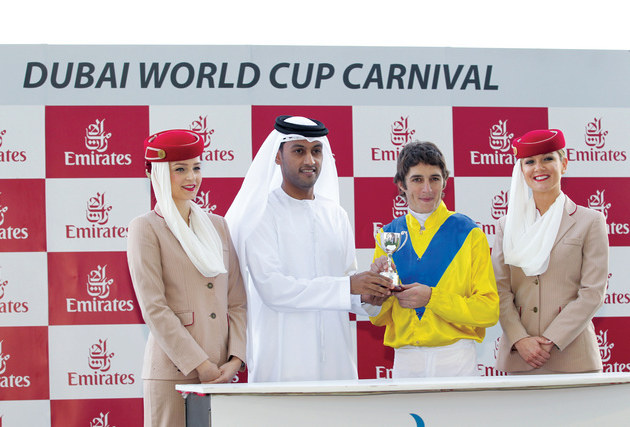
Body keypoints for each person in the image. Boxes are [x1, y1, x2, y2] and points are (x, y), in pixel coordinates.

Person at [225, 115, 392, 382]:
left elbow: (347, 283)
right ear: (278, 156)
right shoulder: (260, 214)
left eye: (316, 151)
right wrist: (349, 286)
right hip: (282, 360)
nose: (310, 161)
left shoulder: (335, 214)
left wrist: (368, 295)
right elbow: (273, 289)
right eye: (299, 151)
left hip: (336, 359)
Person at [127, 130, 247, 426]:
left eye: (196, 167)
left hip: (220, 374)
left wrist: (235, 359)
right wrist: (200, 364)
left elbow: (237, 302)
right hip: (172, 374)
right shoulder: (145, 228)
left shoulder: (218, 226)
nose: (191, 177)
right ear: (156, 174)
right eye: (180, 169)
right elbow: (154, 308)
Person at [370, 141, 499, 378]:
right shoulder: (388, 235)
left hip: (456, 358)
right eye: (417, 179)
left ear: (445, 182)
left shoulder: (469, 234)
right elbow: (378, 318)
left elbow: (488, 311)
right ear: (402, 185)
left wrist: (432, 299)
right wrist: (376, 292)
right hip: (406, 360)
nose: (427, 189)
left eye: (434, 179)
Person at [492, 129, 608, 374]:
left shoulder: (590, 221)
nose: (539, 168)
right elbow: (499, 290)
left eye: (548, 159)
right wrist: (520, 339)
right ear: (521, 170)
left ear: (563, 164)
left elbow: (593, 292)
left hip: (573, 357)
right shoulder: (506, 226)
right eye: (529, 162)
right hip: (520, 358)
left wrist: (551, 339)